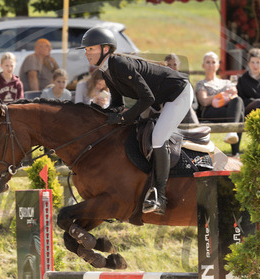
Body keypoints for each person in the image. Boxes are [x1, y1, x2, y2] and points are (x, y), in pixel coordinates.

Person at [79, 27, 193, 215]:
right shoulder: (107, 70)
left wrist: (124, 117)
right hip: (159, 98)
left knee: (158, 138)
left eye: (90, 49)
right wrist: (100, 117)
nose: (86, 53)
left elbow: (146, 98)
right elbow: (117, 103)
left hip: (178, 93)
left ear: (105, 49)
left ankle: (160, 197)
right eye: (86, 49)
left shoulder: (120, 65)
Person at [195, 51, 243, 154]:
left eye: (213, 62)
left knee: (238, 100)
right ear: (203, 65)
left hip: (227, 111)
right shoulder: (201, 83)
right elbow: (204, 101)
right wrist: (222, 94)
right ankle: (235, 150)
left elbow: (234, 97)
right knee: (239, 115)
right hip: (210, 111)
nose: (210, 65)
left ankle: (232, 132)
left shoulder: (226, 82)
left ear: (218, 65)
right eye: (208, 62)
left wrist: (232, 93)